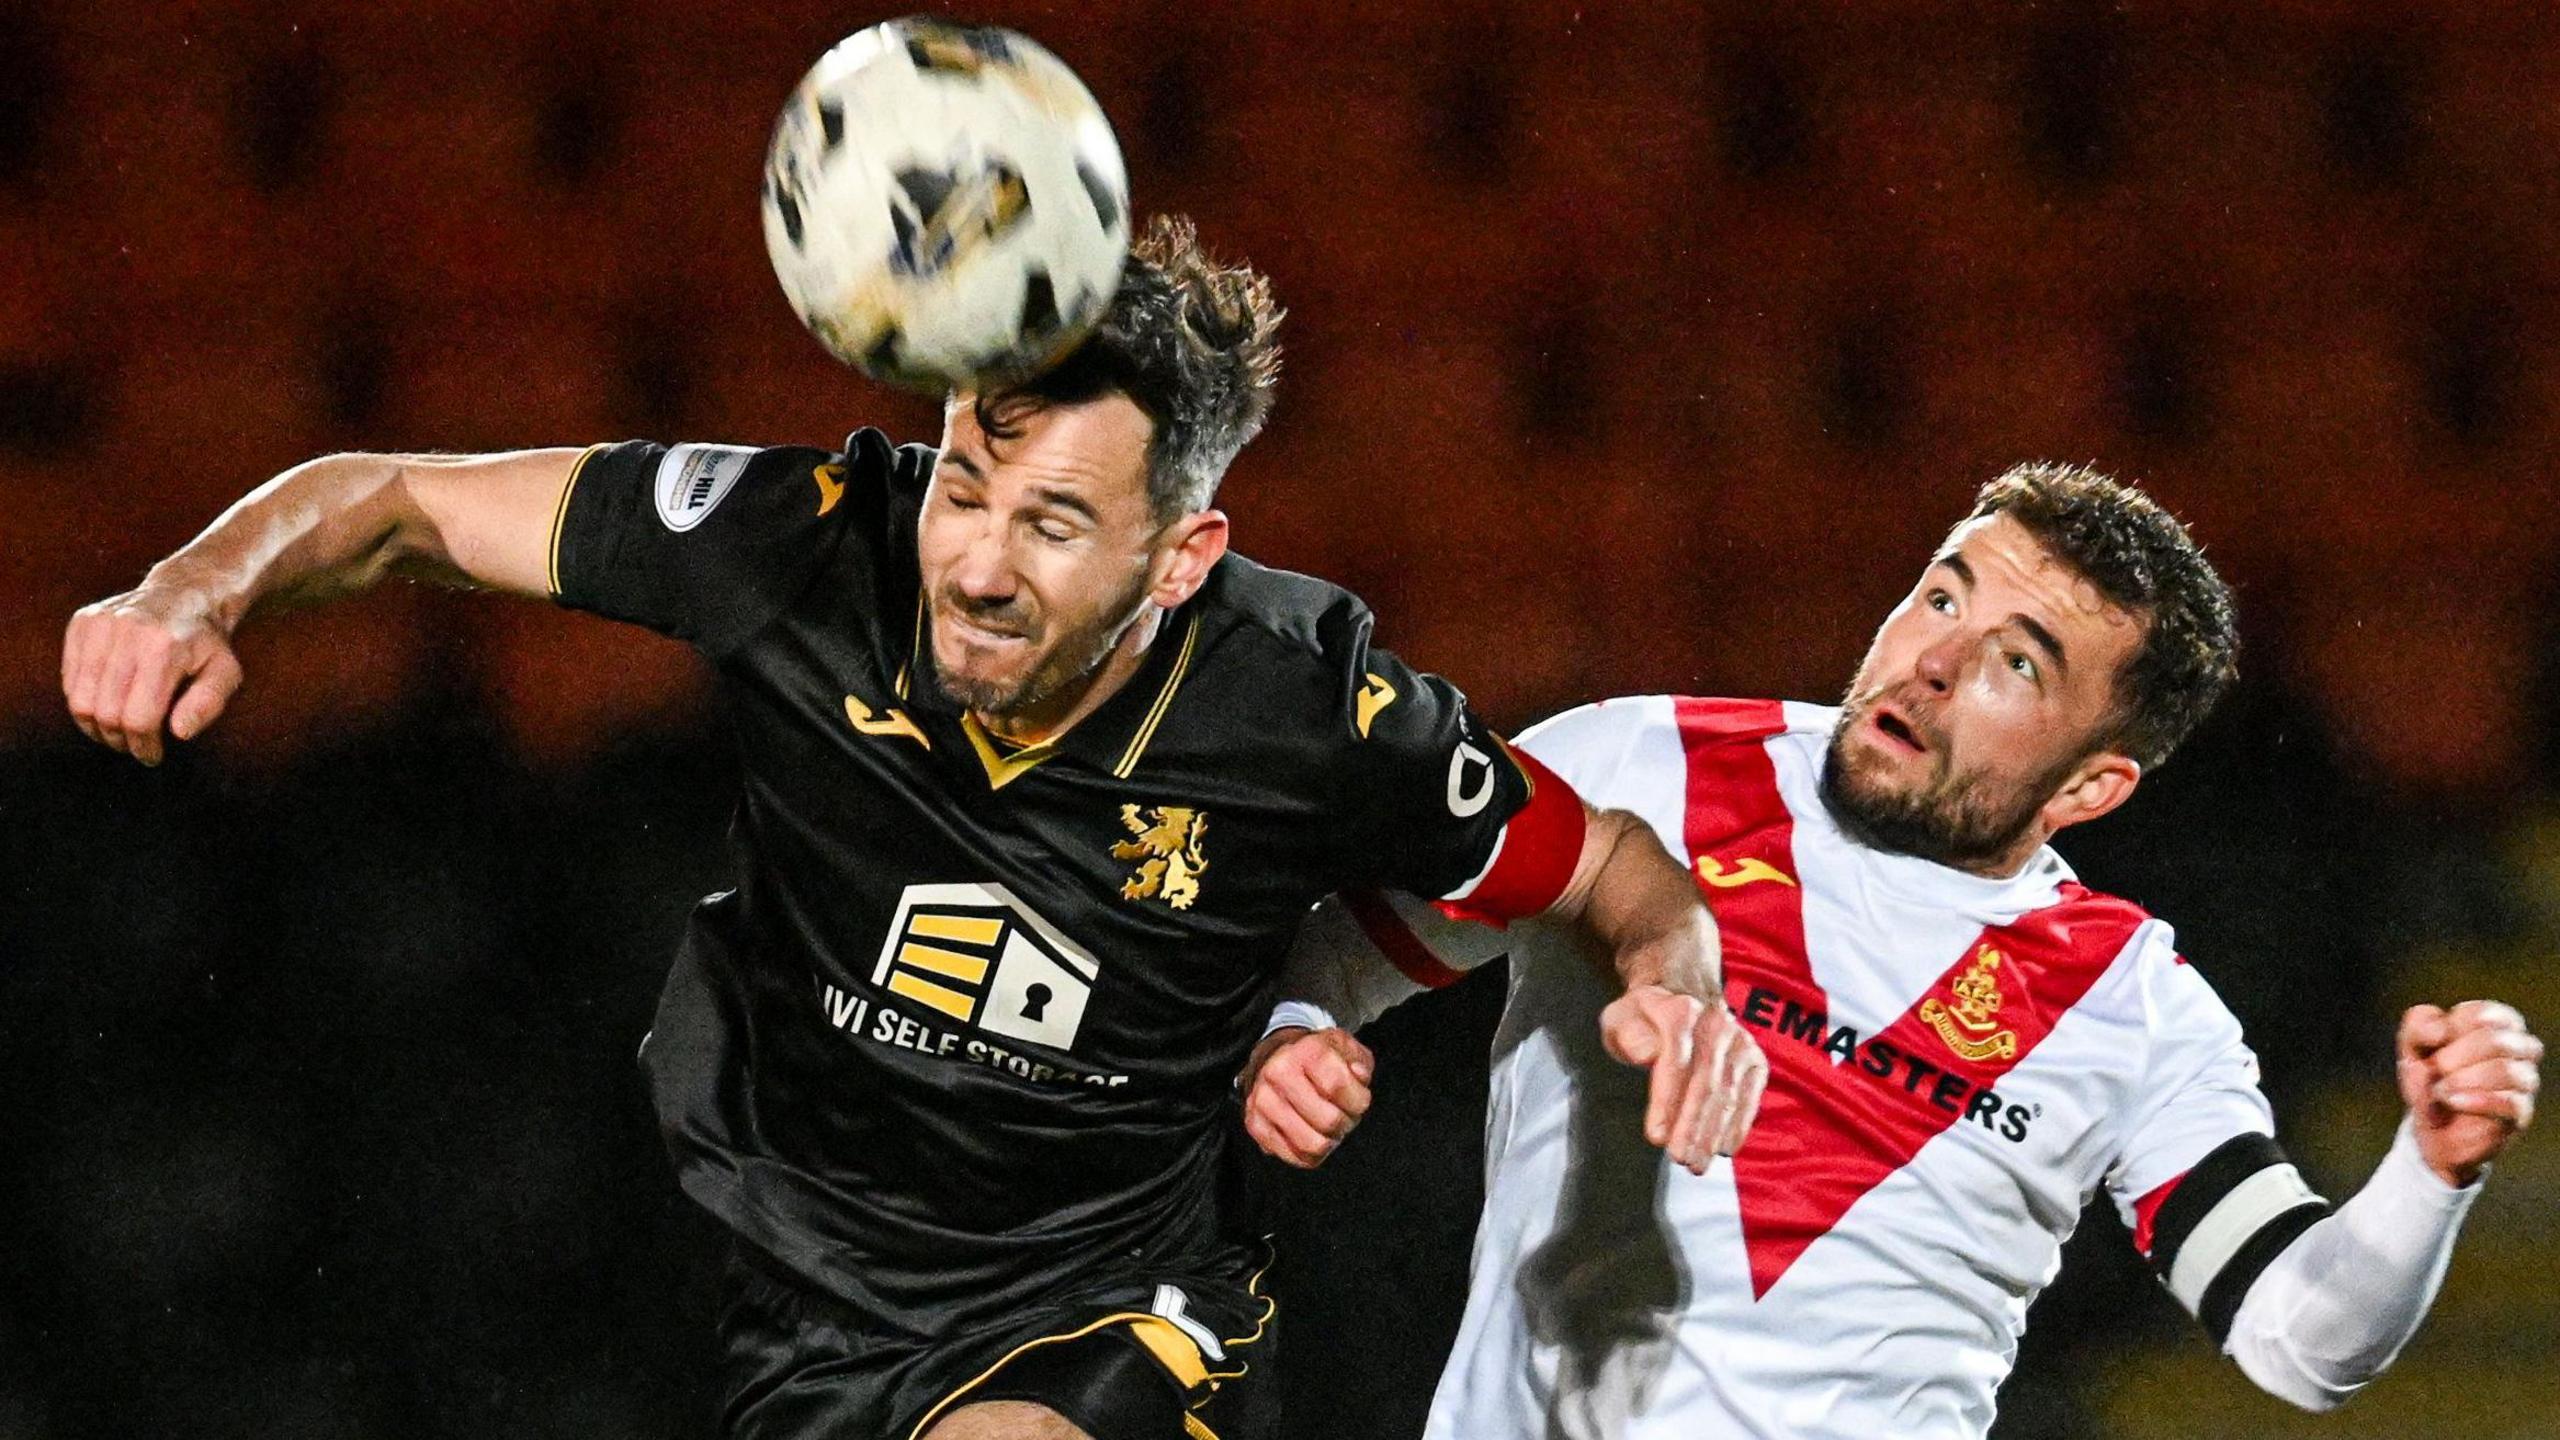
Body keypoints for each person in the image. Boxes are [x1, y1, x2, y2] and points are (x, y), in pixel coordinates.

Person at [59, 216, 1765, 1440]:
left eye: (1052, 521)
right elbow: (404, 497)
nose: (973, 561)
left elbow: (1617, 871)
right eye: (963, 483)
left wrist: (1679, 977)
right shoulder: (808, 545)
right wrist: (192, 587)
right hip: (799, 1281)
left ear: (1181, 557)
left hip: (1106, 1299)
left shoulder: (1312, 705)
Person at [1245, 462, 2542, 1439]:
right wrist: (1299, 1031)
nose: (1930, 661)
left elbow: (2301, 1337)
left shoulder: (2129, 1003)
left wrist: (2429, 1170)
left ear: (2090, 788)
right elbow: (1350, 952)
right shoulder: (1639, 764)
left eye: (2015, 665)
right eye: (1941, 595)